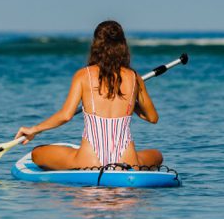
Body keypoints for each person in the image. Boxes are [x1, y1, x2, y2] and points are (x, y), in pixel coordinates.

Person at [14, 20, 163, 170]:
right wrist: (130, 101)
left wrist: (34, 129)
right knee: (157, 155)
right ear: (123, 45)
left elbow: (65, 115)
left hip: (89, 160)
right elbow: (153, 117)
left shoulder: (83, 75)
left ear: (96, 44)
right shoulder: (134, 77)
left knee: (37, 153)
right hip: (127, 161)